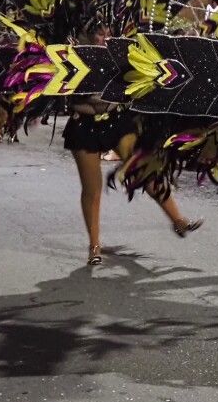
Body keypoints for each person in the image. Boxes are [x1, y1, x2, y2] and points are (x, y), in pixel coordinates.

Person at [63, 25, 202, 266]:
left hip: (117, 121)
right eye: (99, 33)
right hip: (83, 126)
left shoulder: (121, 54)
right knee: (92, 189)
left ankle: (178, 220)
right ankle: (94, 246)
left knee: (144, 170)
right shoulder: (72, 54)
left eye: (108, 31)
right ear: (88, 34)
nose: (105, 37)